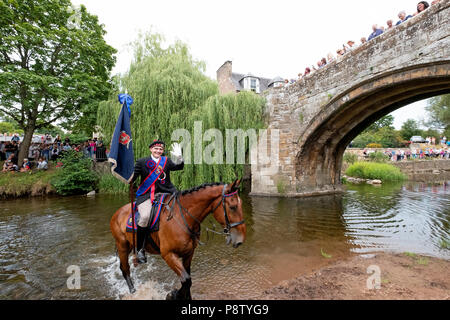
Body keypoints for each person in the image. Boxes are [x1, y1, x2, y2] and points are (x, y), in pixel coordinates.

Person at [130, 140, 184, 264]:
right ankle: (140, 249)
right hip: (146, 195)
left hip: (167, 193)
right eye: (156, 149)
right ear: (151, 149)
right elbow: (133, 178)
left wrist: (179, 157)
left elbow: (179, 167)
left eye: (160, 149)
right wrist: (126, 174)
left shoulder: (167, 161)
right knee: (145, 217)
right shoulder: (141, 162)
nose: (158, 151)